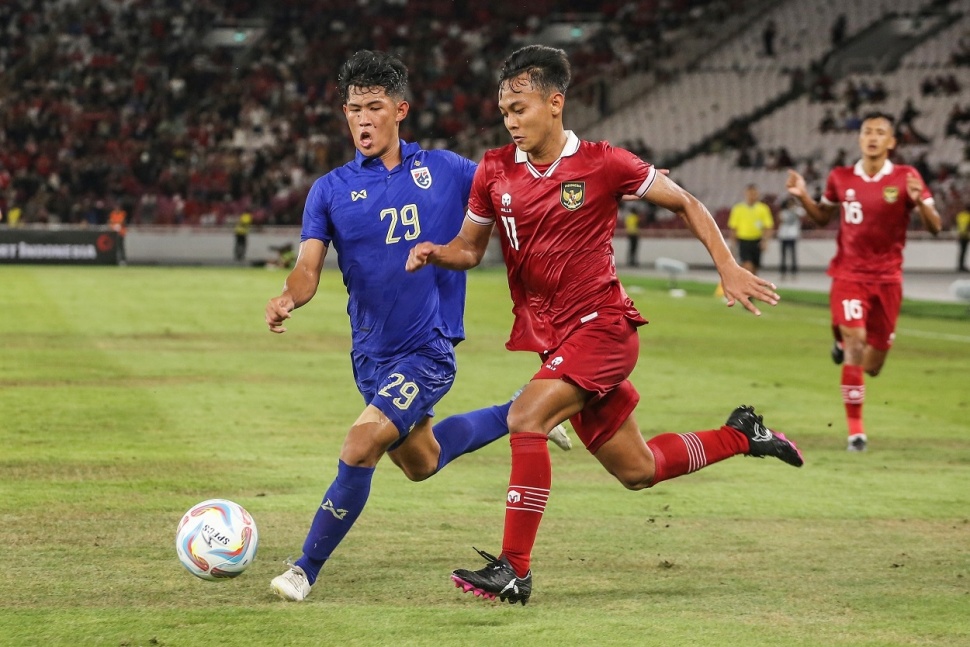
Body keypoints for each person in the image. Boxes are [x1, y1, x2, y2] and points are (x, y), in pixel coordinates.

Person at [406, 45, 802, 606]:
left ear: (555, 102)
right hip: (557, 343)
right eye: (504, 111)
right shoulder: (494, 170)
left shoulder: (604, 162)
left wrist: (728, 266)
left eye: (520, 108)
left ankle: (514, 570)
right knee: (638, 470)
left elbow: (685, 202)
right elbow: (470, 251)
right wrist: (435, 253)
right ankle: (742, 433)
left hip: (604, 327)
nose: (511, 121)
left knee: (527, 416)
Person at [263, 50, 569, 603]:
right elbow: (309, 267)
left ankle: (304, 568)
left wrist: (602, 188)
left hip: (427, 349)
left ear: (400, 110)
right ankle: (525, 408)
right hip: (370, 353)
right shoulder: (328, 190)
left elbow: (517, 193)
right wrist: (289, 296)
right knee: (421, 462)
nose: (362, 119)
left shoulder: (449, 171)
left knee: (360, 446)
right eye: (353, 108)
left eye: (374, 107)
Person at [786, 111, 942, 452]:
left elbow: (936, 227)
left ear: (891, 142)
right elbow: (822, 217)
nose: (872, 137)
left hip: (888, 280)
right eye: (867, 131)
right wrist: (802, 197)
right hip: (849, 274)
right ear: (859, 139)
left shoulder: (906, 176)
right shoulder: (840, 177)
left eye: (880, 132)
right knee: (855, 342)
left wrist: (920, 204)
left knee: (872, 366)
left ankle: (841, 340)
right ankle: (856, 431)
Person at [727, 184, 774, 275]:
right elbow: (733, 228)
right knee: (747, 266)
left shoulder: (763, 209)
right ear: (746, 194)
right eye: (750, 193)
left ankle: (750, 287)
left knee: (755, 269)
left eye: (754, 193)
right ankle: (745, 287)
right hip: (744, 241)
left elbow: (768, 227)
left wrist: (765, 241)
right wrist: (732, 245)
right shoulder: (738, 209)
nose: (752, 195)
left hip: (757, 241)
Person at [777, 196, 804, 278]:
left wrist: (794, 208)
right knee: (783, 255)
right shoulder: (783, 212)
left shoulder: (797, 210)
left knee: (793, 255)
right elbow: (782, 218)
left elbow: (803, 213)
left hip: (793, 235)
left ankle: (794, 271)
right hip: (784, 235)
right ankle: (783, 271)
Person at [956, 204, 970, 272]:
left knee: (961, 251)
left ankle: (960, 265)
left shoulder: (960, 215)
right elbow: (968, 226)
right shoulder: (968, 216)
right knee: (964, 251)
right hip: (965, 235)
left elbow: (958, 224)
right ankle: (962, 266)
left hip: (960, 234)